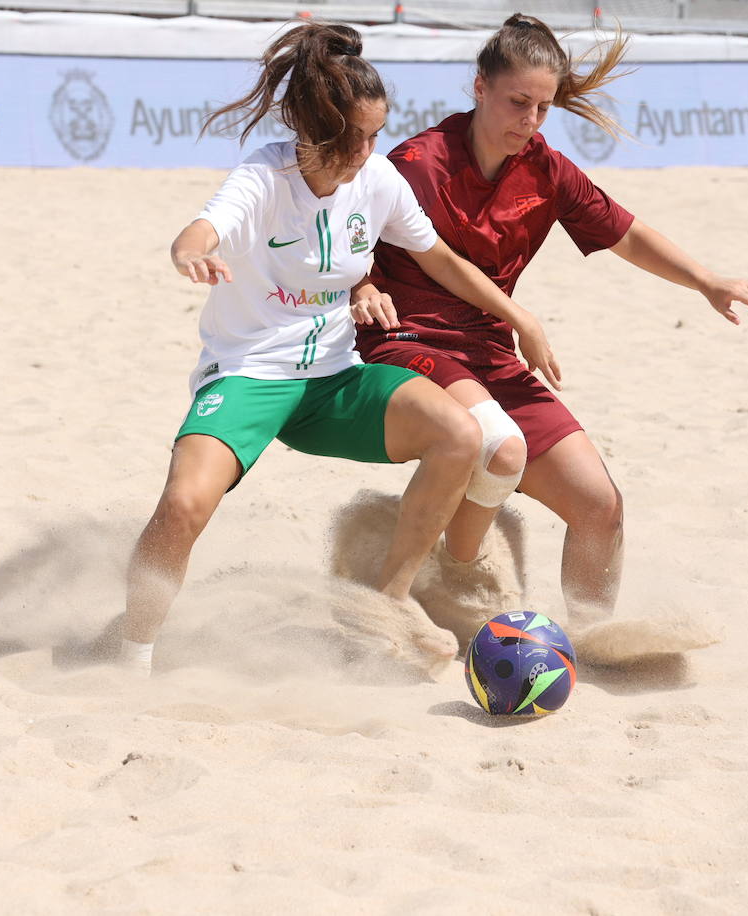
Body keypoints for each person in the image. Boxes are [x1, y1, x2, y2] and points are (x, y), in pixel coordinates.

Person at [118, 22, 559, 673]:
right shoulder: (264, 176)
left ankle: (389, 602)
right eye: (352, 137)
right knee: (183, 504)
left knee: (460, 436)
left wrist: (519, 314)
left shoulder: (377, 179)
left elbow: (438, 258)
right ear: (307, 126)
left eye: (376, 134)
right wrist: (191, 252)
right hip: (248, 376)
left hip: (332, 379)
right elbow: (203, 228)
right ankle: (130, 653)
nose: (366, 150)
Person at [352, 14, 748, 635]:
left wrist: (706, 280)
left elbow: (627, 234)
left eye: (544, 107)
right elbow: (342, 234)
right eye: (519, 102)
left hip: (488, 350)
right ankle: (445, 576)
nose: (531, 120)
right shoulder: (417, 162)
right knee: (499, 446)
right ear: (479, 87)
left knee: (600, 505)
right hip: (408, 340)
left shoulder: (544, 169)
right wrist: (360, 284)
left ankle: (595, 638)